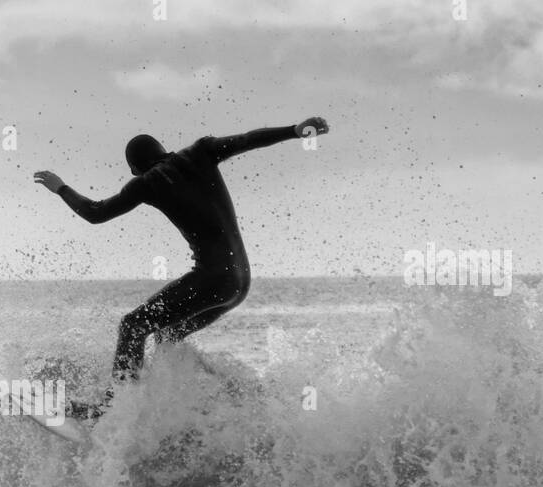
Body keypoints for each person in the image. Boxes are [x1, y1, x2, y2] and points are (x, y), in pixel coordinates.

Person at [34, 117, 329, 408]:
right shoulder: (201, 151)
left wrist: (61, 187)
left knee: (133, 326)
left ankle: (115, 408)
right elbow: (247, 139)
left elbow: (96, 212)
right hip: (240, 283)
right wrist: (295, 131)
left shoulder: (146, 183)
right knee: (166, 335)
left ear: (135, 169)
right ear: (163, 150)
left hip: (212, 279)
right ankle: (223, 399)